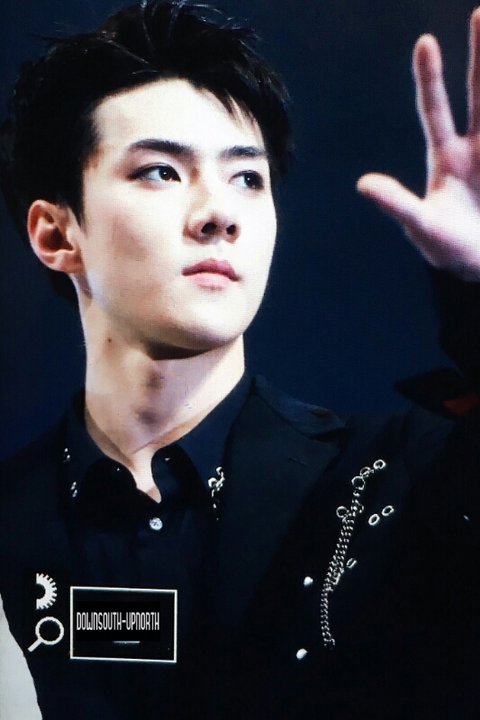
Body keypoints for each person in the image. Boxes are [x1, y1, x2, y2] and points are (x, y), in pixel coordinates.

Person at [0, 1, 479, 718]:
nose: (219, 213)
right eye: (161, 172)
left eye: (248, 178)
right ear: (56, 234)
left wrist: (474, 293)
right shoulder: (11, 521)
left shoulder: (401, 479)